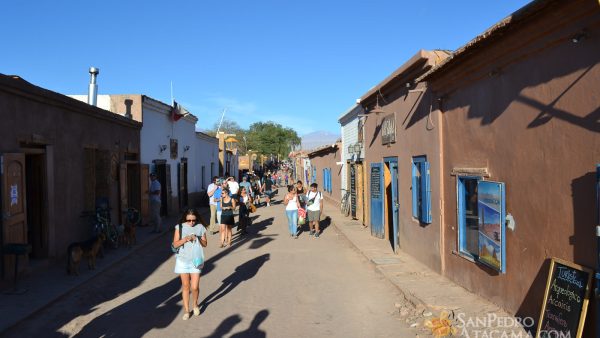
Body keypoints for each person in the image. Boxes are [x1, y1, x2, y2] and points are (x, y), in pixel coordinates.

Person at [172, 208, 208, 320]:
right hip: (182, 260)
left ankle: (195, 304)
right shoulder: (180, 227)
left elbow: (205, 244)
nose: (191, 222)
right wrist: (186, 239)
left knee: (195, 286)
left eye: (193, 220)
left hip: (196, 261)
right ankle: (187, 311)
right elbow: (175, 244)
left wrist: (197, 238)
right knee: (186, 286)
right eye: (189, 220)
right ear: (185, 219)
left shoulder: (200, 227)